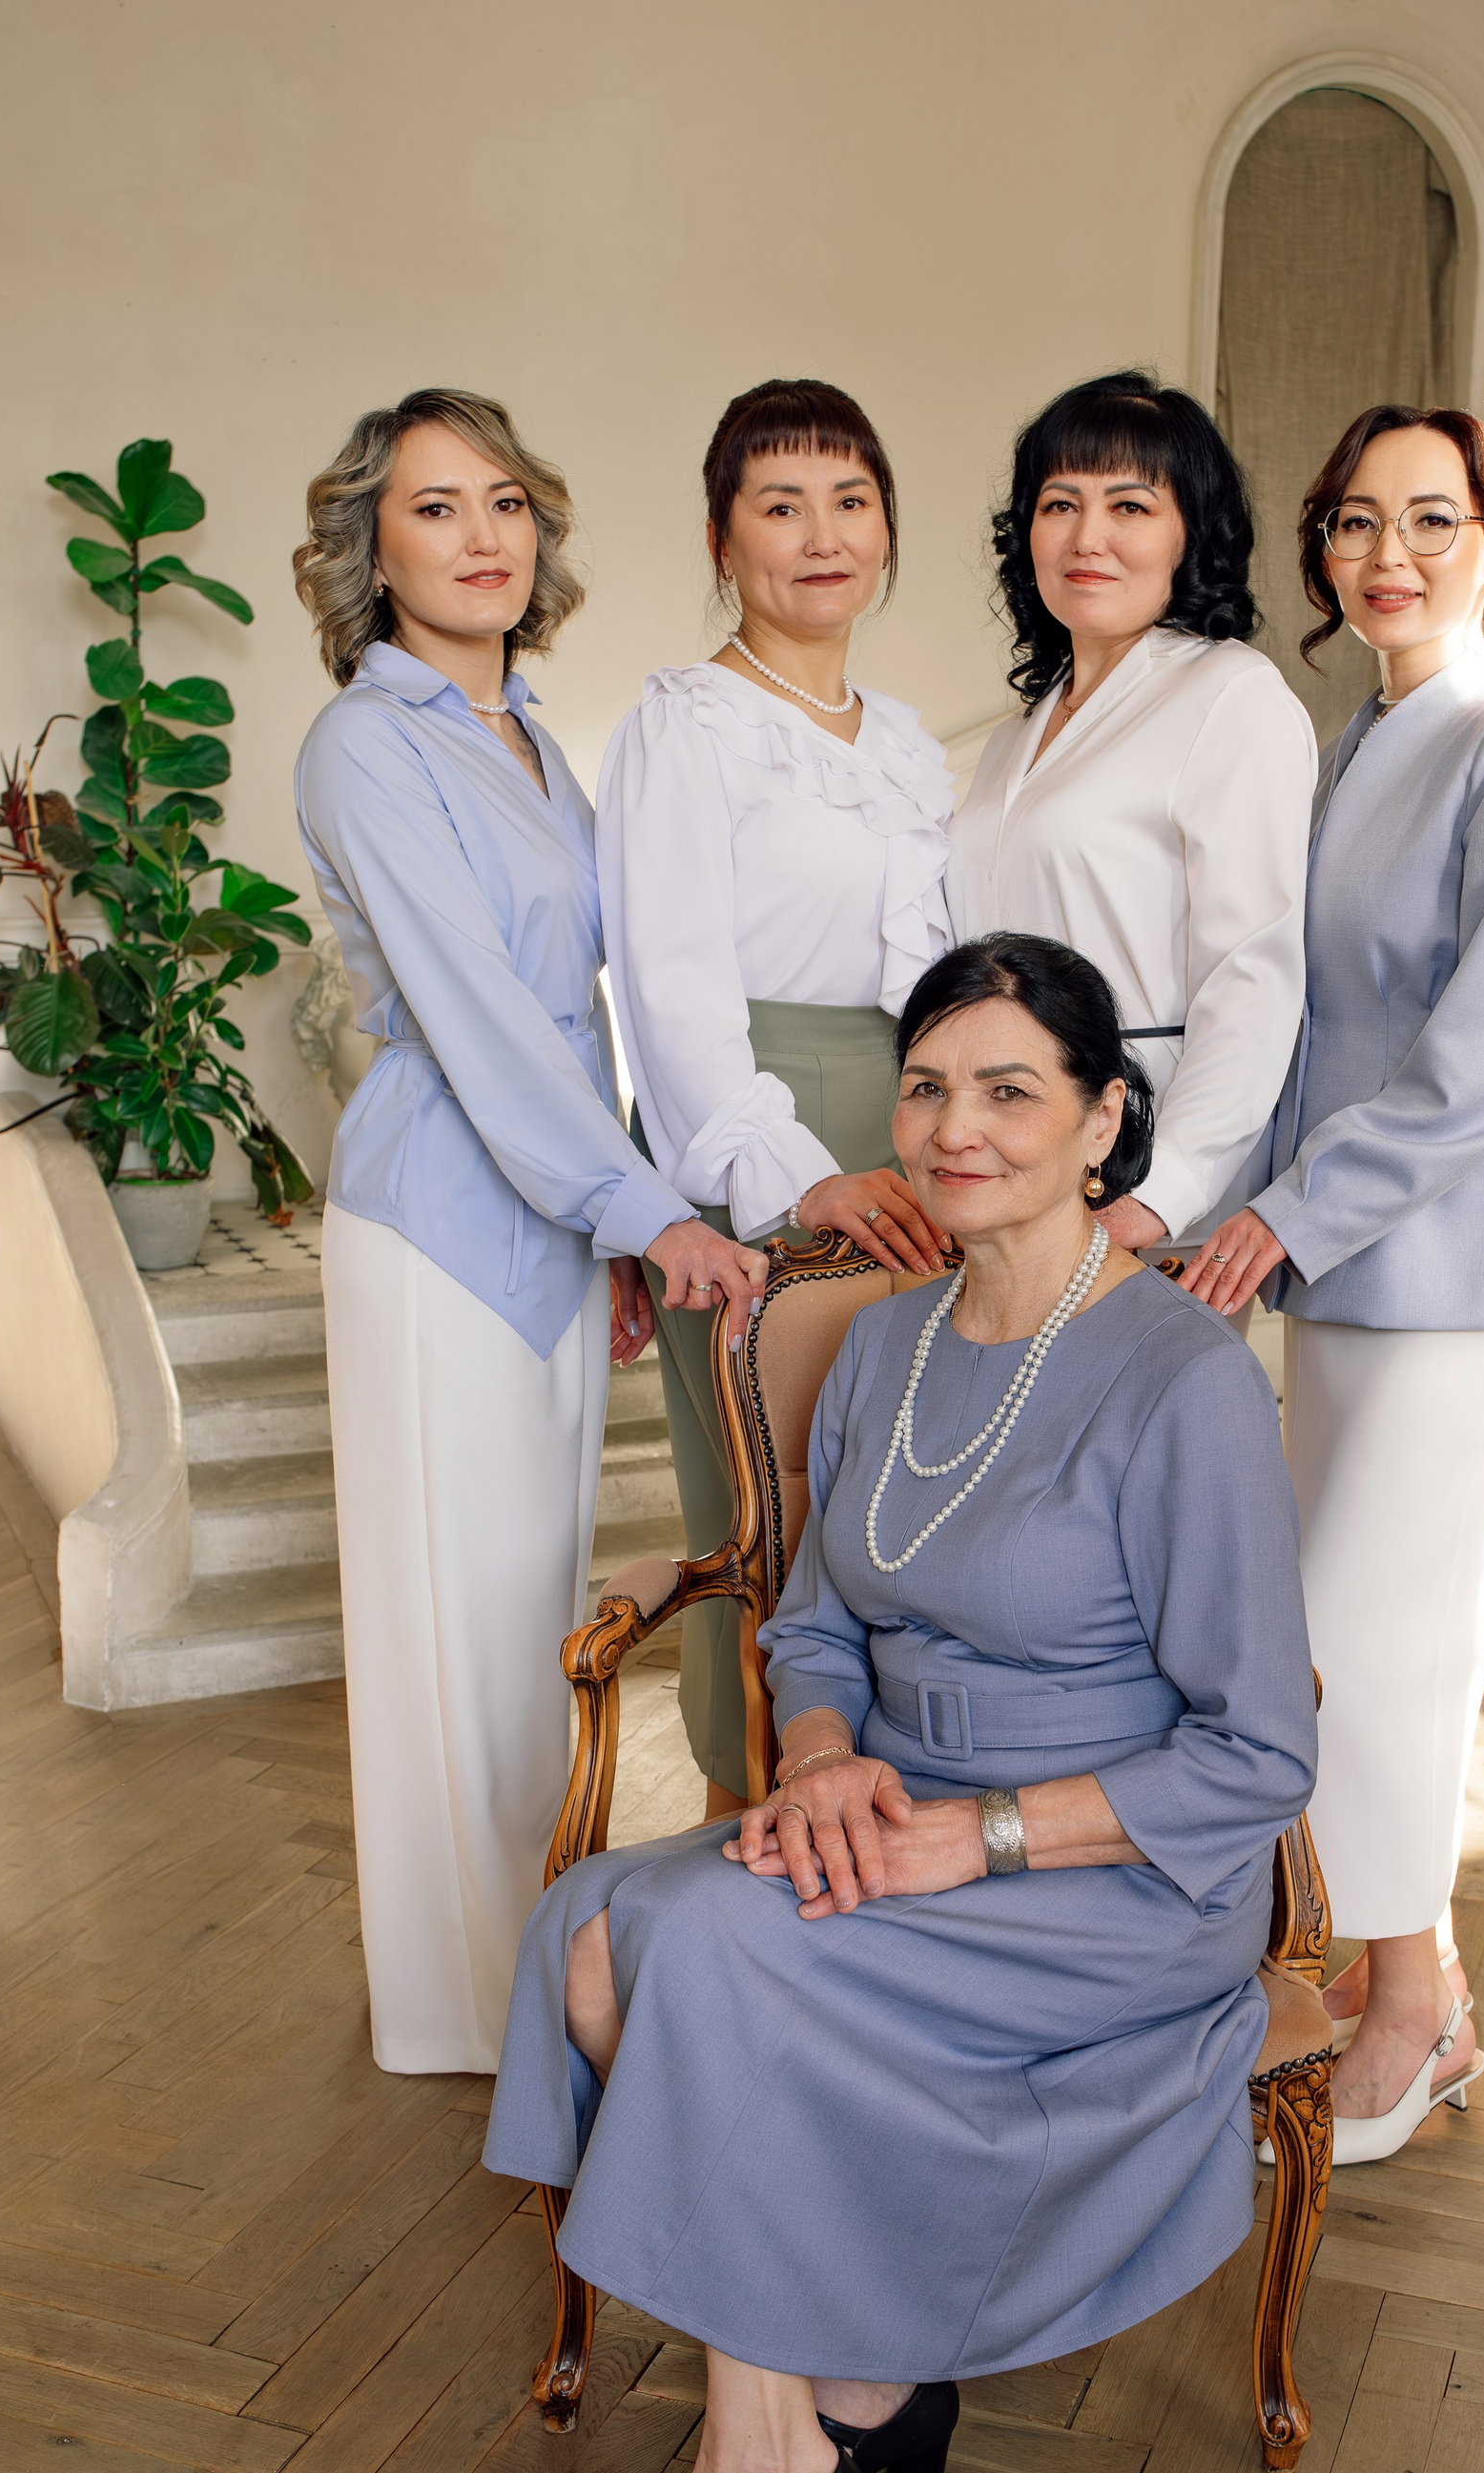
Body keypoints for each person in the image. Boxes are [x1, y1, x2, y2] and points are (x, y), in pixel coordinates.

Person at [485, 933, 1316, 2473]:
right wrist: (819, 1758)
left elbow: (1257, 1755)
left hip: (1107, 1869)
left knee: (705, 1951)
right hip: (891, 1805)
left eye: (1010, 1089)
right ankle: (848, 2379)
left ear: (1103, 1120)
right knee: (586, 1943)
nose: (957, 1128)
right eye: (929, 1087)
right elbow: (811, 1624)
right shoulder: (881, 1346)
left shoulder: (1183, 1377)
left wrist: (977, 1835)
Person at [292, 388, 766, 2077]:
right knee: (454, 1638)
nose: (482, 535)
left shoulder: (534, 743)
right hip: (438, 1220)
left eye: (504, 500)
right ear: (371, 549)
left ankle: (529, 1979)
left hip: (549, 1228)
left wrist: (614, 1228)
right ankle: (472, 2012)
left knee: (522, 1639)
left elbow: (586, 1019)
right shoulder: (366, 742)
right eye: (435, 507)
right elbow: (484, 1023)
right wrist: (648, 1213)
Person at [1180, 405, 1484, 2163]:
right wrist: (1226, 1212)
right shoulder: (1353, 745)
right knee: (1333, 1642)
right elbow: (1300, 1022)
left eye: (1434, 519)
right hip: (1344, 1265)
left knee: (1386, 1642)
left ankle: (1411, 2013)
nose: (1389, 555)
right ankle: (1401, 1979)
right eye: (1357, 521)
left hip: (1454, 1256)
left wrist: (1287, 1217)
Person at [598, 377, 954, 1817]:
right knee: (766, 1519)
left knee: (900, 1512)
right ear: (721, 539)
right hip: (756, 1130)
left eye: (851, 501)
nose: (823, 536)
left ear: (888, 530)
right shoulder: (684, 723)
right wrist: (799, 1174)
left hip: (918, 1136)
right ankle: (736, 1832)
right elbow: (670, 987)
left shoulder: (911, 744)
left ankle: (887, 1839)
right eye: (781, 504)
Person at [947, 373, 1313, 1280]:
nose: (1088, 537)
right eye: (1059, 504)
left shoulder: (1231, 696)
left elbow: (1254, 971)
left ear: (1191, 531)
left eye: (1130, 506)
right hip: (1001, 1161)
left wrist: (1165, 1190)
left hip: (1138, 1172)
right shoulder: (1016, 737)